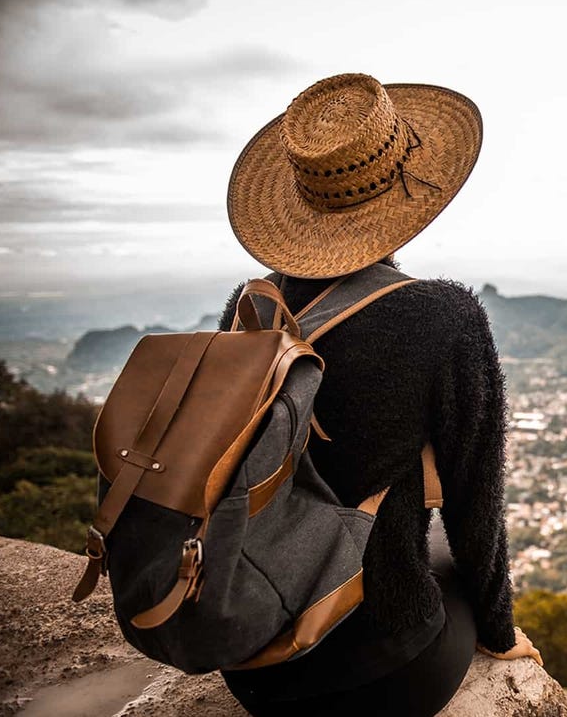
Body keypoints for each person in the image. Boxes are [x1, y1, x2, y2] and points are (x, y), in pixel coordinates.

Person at [213, 73, 541, 716]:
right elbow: (474, 503)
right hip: (384, 673)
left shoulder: (253, 309)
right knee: (439, 551)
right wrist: (501, 634)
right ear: (410, 190)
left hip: (252, 662)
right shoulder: (443, 317)